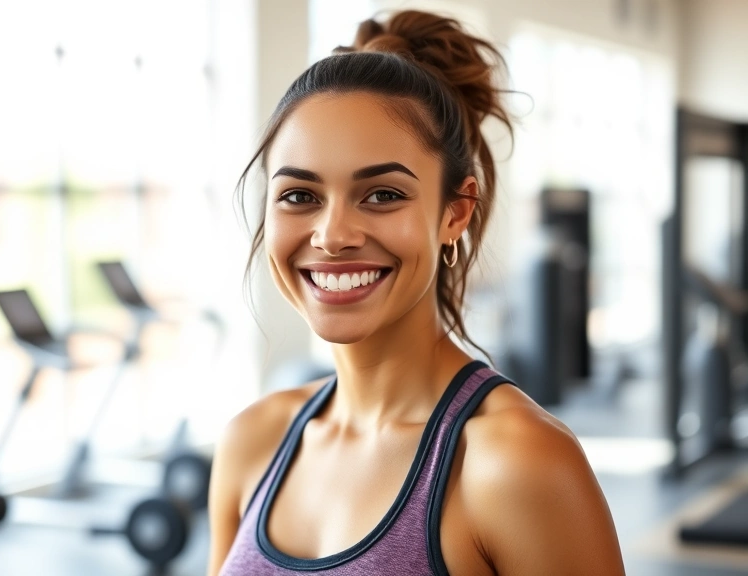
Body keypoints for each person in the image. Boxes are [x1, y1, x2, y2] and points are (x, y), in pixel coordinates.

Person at [208, 10, 625, 576]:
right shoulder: (252, 442)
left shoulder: (514, 462)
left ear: (454, 213)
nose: (332, 236)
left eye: (381, 194)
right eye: (300, 196)